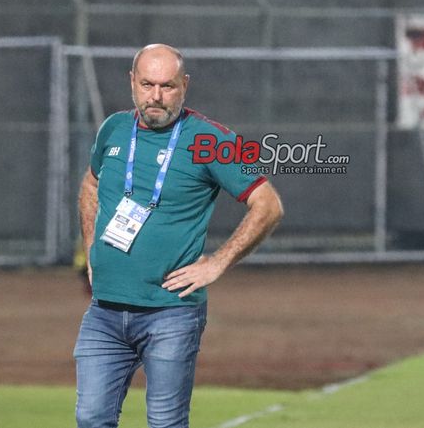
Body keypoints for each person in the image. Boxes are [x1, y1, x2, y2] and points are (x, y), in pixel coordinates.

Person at [75, 44, 284, 428]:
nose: (155, 96)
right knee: (90, 419)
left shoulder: (209, 139)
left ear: (184, 86)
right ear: (132, 82)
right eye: (147, 84)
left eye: (167, 86)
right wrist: (91, 247)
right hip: (104, 311)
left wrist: (217, 263)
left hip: (171, 312)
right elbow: (90, 184)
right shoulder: (114, 129)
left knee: (166, 424)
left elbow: (268, 205)